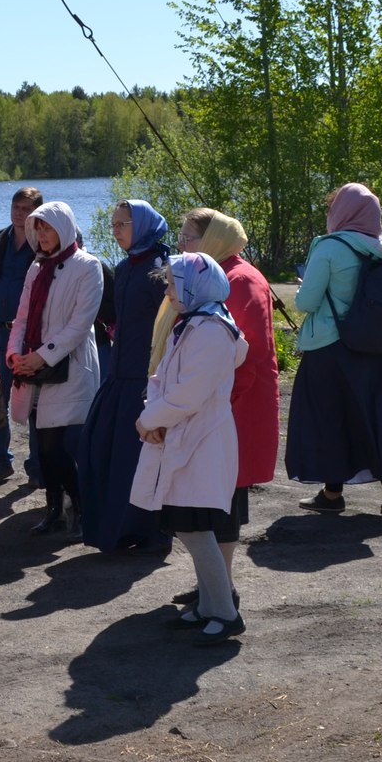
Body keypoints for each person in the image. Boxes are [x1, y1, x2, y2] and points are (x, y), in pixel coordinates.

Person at [152, 209, 280, 606]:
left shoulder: (237, 280)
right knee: (206, 502)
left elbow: (247, 354)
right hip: (216, 406)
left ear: (213, 239)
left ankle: (222, 593)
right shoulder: (207, 276)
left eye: (190, 238)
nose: (183, 246)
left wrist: (215, 405)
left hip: (231, 409)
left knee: (219, 503)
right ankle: (212, 587)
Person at [131, 252, 248, 646]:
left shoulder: (213, 330)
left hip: (202, 440)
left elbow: (190, 393)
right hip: (184, 436)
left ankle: (226, 613)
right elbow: (163, 378)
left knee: (195, 527)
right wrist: (156, 416)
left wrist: (151, 420)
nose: (167, 290)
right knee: (189, 525)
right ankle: (211, 604)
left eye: (172, 283)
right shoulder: (195, 324)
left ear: (194, 285)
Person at [285, 183, 382, 515]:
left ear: (342, 211)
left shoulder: (329, 248)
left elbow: (307, 301)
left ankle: (333, 494)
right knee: (377, 416)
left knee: (329, 419)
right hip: (374, 347)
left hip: (329, 347)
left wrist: (304, 286)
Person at [78, 199, 172, 553]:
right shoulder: (125, 266)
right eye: (114, 224)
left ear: (143, 225)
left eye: (123, 224)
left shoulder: (160, 269)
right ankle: (116, 528)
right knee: (102, 450)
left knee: (138, 458)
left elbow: (167, 327)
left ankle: (150, 530)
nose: (115, 230)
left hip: (145, 377)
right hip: (119, 373)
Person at [8, 202, 102, 539]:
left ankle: (78, 507)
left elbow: (80, 324)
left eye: (46, 228)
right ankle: (54, 511)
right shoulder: (37, 267)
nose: (41, 235)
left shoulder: (88, 266)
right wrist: (15, 355)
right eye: (38, 229)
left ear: (63, 228)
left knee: (53, 445)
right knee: (41, 443)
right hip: (35, 369)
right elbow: (22, 317)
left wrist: (42, 356)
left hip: (69, 368)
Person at [0, 187, 42, 487]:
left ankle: (36, 466)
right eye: (15, 207)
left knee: (33, 401)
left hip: (31, 334)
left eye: (26, 208)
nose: (19, 213)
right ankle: (1, 461)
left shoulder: (43, 243)